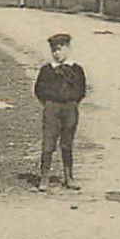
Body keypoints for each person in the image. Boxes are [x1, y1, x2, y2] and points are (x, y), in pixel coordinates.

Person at [34, 32, 87, 191]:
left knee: (67, 143)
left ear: (68, 49)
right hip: (52, 108)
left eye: (60, 49)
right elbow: (38, 89)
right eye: (54, 50)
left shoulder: (76, 69)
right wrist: (49, 103)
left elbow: (81, 90)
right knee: (48, 142)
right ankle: (44, 178)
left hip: (70, 109)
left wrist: (72, 101)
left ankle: (69, 177)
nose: (57, 54)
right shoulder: (47, 70)